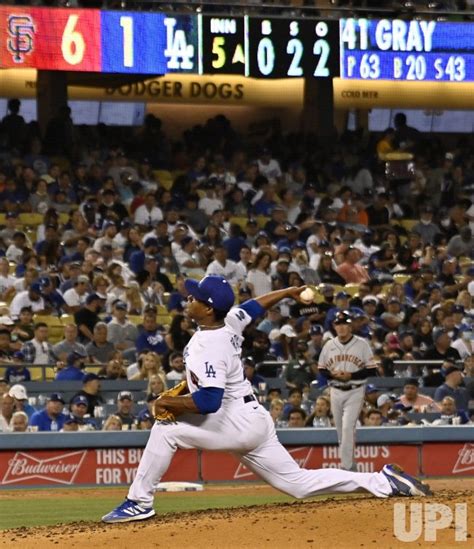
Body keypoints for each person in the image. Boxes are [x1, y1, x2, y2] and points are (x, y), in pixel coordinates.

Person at [102, 275, 431, 523]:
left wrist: (165, 402)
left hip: (232, 421)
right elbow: (253, 307)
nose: (189, 298)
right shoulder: (228, 320)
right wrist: (287, 293)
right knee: (298, 484)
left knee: (165, 429)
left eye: (196, 297)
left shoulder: (208, 345)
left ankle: (139, 502)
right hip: (253, 418)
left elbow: (208, 402)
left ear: (208, 308)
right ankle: (383, 481)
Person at [317, 311, 377, 472]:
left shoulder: (362, 344)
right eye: (339, 324)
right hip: (335, 390)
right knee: (340, 431)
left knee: (347, 427)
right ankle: (351, 465)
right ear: (334, 326)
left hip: (355, 390)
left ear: (350, 326)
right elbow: (321, 369)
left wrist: (352, 375)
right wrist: (332, 375)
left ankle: (346, 468)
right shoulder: (329, 345)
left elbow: (372, 370)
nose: (342, 327)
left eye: (345, 324)